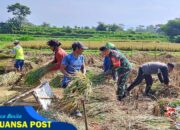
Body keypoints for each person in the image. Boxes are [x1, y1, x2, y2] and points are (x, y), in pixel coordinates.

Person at [61, 42, 88, 117]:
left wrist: (83, 74)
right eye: (82, 49)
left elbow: (83, 67)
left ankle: (76, 110)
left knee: (79, 95)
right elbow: (62, 69)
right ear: (76, 49)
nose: (83, 50)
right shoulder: (68, 57)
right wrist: (69, 76)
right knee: (71, 96)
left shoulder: (81, 57)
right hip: (68, 80)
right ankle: (71, 111)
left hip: (78, 79)